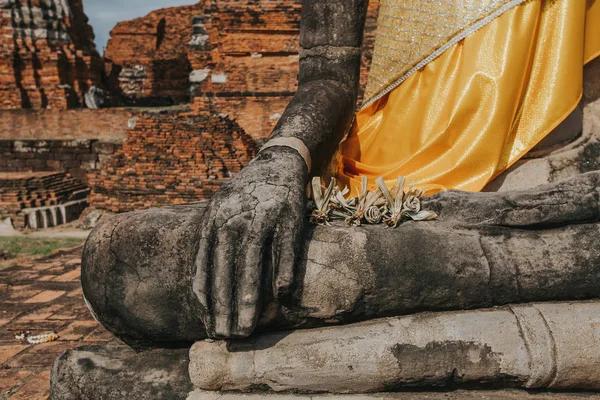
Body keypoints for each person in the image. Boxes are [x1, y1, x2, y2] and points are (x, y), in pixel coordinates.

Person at [83, 0, 600, 343]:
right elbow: (328, 75)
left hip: (567, 162)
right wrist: (280, 158)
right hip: (393, 179)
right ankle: (538, 259)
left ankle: (535, 254)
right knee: (125, 263)